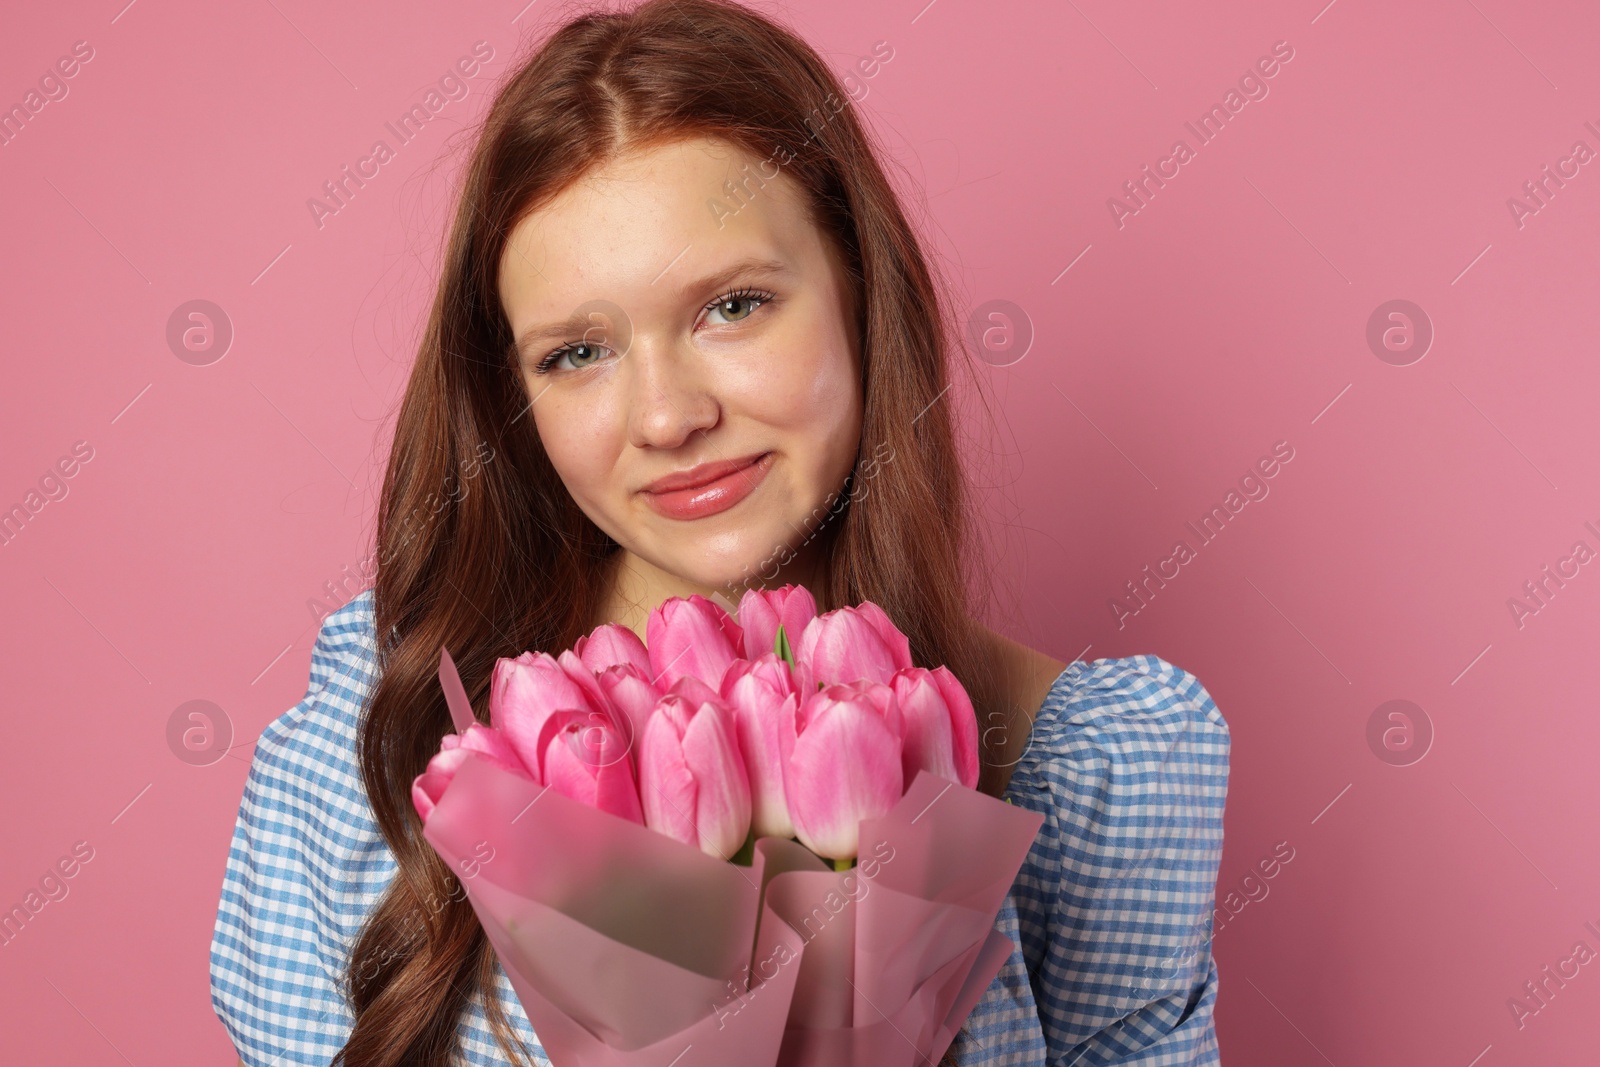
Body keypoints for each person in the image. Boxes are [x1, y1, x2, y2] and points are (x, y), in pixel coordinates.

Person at [208, 1, 1230, 1064]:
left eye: (732, 306)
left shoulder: (1102, 770)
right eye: (576, 353)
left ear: (859, 294)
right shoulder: (373, 744)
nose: (666, 417)